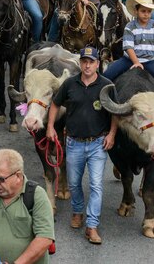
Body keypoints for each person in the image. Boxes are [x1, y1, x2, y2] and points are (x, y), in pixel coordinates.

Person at [47, 46, 116, 245]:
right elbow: (55, 104)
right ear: (80, 63)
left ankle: (92, 225)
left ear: (97, 64)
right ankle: (77, 211)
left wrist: (111, 134)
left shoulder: (107, 85)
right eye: (84, 61)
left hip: (97, 144)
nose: (87, 65)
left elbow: (115, 112)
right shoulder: (70, 83)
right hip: (73, 143)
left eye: (91, 62)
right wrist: (51, 126)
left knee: (96, 185)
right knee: (74, 184)